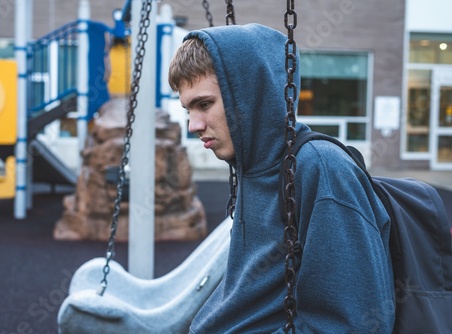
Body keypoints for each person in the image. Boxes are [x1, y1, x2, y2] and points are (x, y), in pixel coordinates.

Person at [168, 23, 395, 333]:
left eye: (204, 104)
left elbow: (353, 323)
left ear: (251, 94)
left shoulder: (322, 170)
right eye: (188, 110)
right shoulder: (252, 166)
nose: (194, 124)